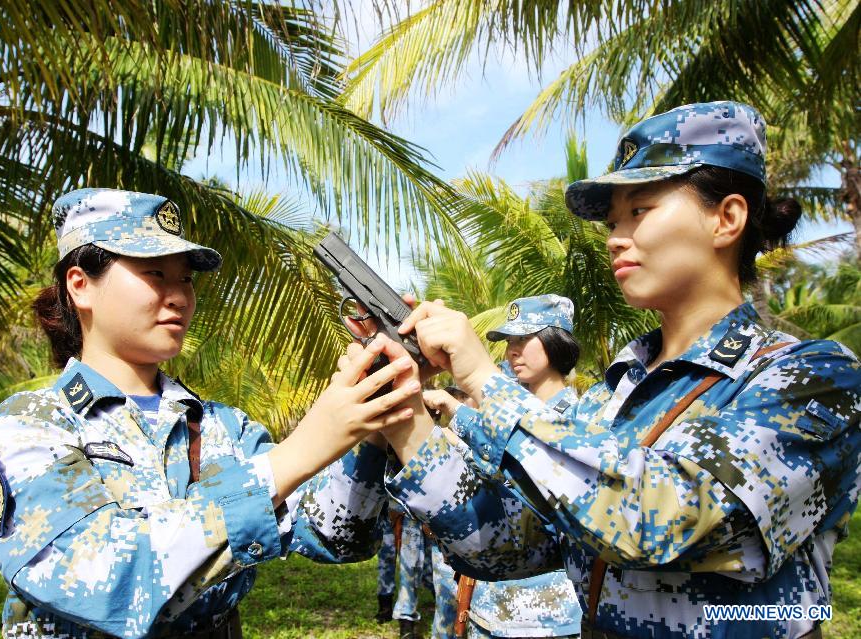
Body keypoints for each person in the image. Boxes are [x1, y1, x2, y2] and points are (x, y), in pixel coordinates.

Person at [348, 102, 861, 638]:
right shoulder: (614, 393)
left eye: (640, 210)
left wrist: (484, 381)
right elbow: (506, 545)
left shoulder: (811, 379)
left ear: (726, 218)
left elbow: (660, 520)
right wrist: (404, 414)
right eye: (614, 220)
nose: (616, 236)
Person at [0, 188, 418, 639]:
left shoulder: (224, 426)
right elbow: (106, 582)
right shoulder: (30, 425)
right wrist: (297, 455)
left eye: (185, 279)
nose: (179, 296)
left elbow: (337, 533)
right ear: (81, 285)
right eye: (155, 273)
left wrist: (377, 411)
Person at [422, 295, 582, 639]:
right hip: (488, 607)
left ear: (557, 340)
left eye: (525, 339)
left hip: (544, 617)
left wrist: (458, 413)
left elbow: (531, 473)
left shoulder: (578, 423)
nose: (513, 351)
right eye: (510, 341)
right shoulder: (492, 418)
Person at [375, 497, 435, 639]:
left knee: (414, 563)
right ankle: (386, 606)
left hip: (414, 508)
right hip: (386, 506)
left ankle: (406, 621)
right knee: (387, 557)